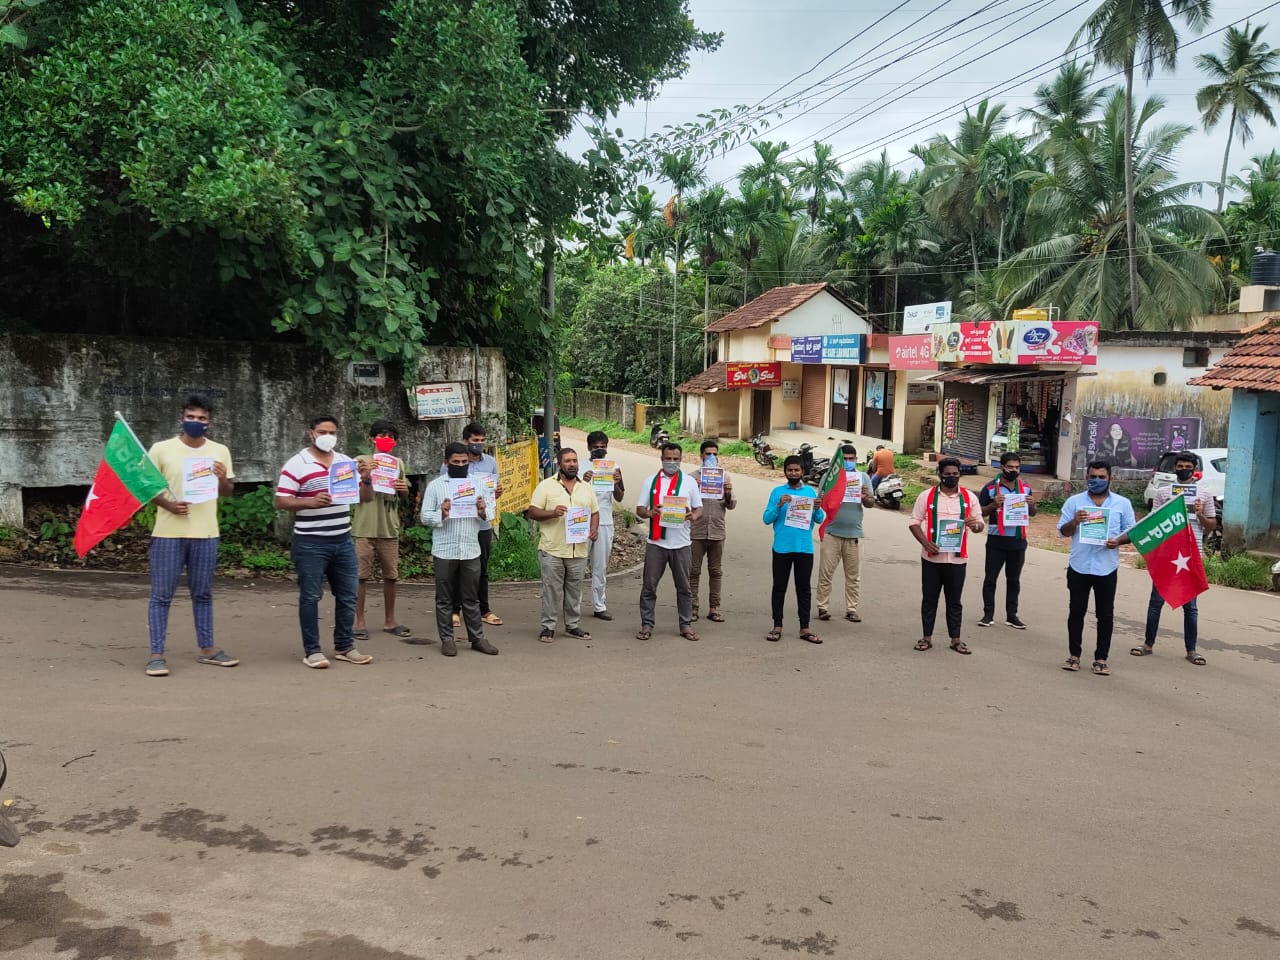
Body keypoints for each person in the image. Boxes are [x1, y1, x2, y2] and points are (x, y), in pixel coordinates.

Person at [143, 395, 238, 677]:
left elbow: (229, 491)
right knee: (161, 595)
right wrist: (168, 505)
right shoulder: (161, 449)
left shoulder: (219, 451)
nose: (196, 422)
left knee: (203, 593)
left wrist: (222, 479)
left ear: (210, 422)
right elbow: (145, 488)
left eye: (202, 418)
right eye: (191, 417)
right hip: (168, 533)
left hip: (206, 533)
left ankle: (208, 649)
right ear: (181, 418)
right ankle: (156, 655)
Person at [275, 415, 375, 669]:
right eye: (322, 431)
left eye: (332, 431)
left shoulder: (344, 463)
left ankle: (344, 646)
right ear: (311, 433)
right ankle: (312, 651)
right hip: (310, 542)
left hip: (342, 539)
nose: (327, 436)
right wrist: (308, 502)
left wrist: (365, 479)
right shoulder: (297, 464)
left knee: (348, 596)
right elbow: (281, 500)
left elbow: (365, 498)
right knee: (310, 597)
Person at [1122, 452, 1214, 666]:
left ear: (1194, 469)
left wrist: (1200, 514)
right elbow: (1153, 521)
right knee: (1156, 602)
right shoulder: (1163, 493)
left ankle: (1191, 650)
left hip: (1191, 557)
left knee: (1190, 606)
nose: (1184, 468)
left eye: (1187, 465)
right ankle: (1147, 644)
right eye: (1180, 465)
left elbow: (1211, 526)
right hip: (1167, 556)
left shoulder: (1205, 495)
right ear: (1175, 468)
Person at [1057, 460, 1137, 675]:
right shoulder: (1074, 502)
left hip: (1106, 568)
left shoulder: (1122, 504)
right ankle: (1074, 655)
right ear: (1086, 478)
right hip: (1079, 566)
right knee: (1076, 612)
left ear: (1110, 478)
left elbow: (1132, 533)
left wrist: (1117, 542)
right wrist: (1074, 522)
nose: (1097, 480)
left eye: (1101, 477)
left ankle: (1101, 658)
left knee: (1105, 615)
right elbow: (1062, 532)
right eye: (1092, 476)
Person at [421, 443, 499, 657]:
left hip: (470, 549)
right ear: (447, 462)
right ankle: (447, 639)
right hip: (444, 551)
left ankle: (477, 638)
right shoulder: (436, 486)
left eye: (464, 462)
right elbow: (424, 516)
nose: (460, 465)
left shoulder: (478, 484)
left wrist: (482, 510)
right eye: (456, 462)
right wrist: (442, 513)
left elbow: (490, 511)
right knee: (444, 598)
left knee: (471, 598)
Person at [908, 458, 985, 655]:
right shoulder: (927, 496)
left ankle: (956, 639)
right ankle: (926, 637)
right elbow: (914, 522)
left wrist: (973, 525)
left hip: (957, 560)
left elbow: (979, 525)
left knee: (954, 600)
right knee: (929, 598)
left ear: (960, 474)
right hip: (931, 558)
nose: (952, 477)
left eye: (955, 474)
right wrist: (925, 543)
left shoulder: (969, 498)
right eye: (948, 474)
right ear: (940, 474)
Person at [527, 447, 599, 642]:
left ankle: (572, 625)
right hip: (553, 549)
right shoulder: (546, 486)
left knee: (575, 590)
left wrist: (594, 529)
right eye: (567, 461)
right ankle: (548, 626)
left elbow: (594, 512)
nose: (572, 464)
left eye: (574, 460)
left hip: (579, 549)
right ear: (559, 464)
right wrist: (552, 513)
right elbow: (532, 512)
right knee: (552, 590)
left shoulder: (586, 487)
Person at [635, 442, 704, 641]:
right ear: (661, 459)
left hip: (681, 543)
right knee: (649, 586)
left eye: (676, 459)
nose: (672, 463)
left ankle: (685, 625)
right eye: (668, 459)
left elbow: (699, 508)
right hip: (656, 543)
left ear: (681, 460)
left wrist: (693, 516)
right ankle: (647, 624)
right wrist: (650, 512)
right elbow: (640, 508)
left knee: (684, 587)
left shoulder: (689, 483)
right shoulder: (651, 481)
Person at [441, 422, 504, 631]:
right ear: (466, 440)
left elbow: (492, 492)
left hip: (482, 524)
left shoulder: (491, 463)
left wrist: (495, 494)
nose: (479, 444)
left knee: (482, 569)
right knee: (458, 568)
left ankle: (484, 609)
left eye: (482, 440)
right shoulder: (453, 463)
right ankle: (454, 610)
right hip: (459, 524)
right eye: (475, 440)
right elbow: (443, 489)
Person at [352, 419, 412, 641]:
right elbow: (359, 496)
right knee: (360, 577)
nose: (387, 440)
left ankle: (390, 621)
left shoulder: (398, 463)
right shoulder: (360, 462)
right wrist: (366, 478)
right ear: (372, 439)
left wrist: (404, 489)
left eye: (391, 436)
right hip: (364, 528)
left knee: (391, 576)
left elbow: (402, 495)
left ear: (395, 441)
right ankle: (359, 622)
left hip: (389, 527)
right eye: (382, 435)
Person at [762, 455, 825, 644]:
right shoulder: (777, 492)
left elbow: (820, 519)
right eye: (790, 470)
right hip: (781, 548)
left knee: (804, 589)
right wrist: (779, 505)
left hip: (804, 548)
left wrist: (817, 508)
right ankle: (777, 626)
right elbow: (766, 519)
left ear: (802, 472)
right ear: (785, 472)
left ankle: (804, 628)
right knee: (779, 588)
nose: (793, 473)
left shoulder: (810, 492)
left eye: (797, 470)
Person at [978, 452, 1037, 629]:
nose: (1013, 470)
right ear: (1002, 467)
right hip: (996, 540)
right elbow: (980, 512)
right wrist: (993, 505)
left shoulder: (1025, 488)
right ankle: (988, 614)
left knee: (1014, 580)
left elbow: (1033, 513)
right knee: (990, 578)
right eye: (1010, 467)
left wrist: (1032, 504)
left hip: (1018, 541)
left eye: (1017, 467)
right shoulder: (990, 488)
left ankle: (1012, 615)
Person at [816, 445, 874, 624]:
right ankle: (822, 607)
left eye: (852, 459)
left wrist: (865, 497)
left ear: (856, 459)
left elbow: (871, 503)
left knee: (853, 576)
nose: (848, 462)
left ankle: (851, 609)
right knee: (825, 573)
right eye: (845, 459)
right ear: (839, 460)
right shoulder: (829, 478)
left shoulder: (863, 477)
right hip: (832, 532)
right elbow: (820, 500)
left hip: (854, 534)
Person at [690, 439, 736, 623]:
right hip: (696, 531)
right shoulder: (691, 477)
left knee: (715, 571)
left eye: (715, 454)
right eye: (708, 454)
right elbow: (684, 504)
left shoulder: (725, 478)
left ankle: (714, 608)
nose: (711, 457)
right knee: (693, 571)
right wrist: (695, 486)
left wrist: (728, 492)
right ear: (701, 455)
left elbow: (731, 505)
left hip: (717, 531)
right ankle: (692, 607)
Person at [582, 430, 624, 621]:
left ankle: (600, 605)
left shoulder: (614, 466)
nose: (599, 450)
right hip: (582, 522)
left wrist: (615, 482)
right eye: (596, 447)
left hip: (605, 520)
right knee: (578, 565)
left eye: (603, 447)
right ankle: (573, 605)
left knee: (600, 566)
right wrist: (584, 481)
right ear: (589, 447)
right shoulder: (580, 466)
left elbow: (620, 496)